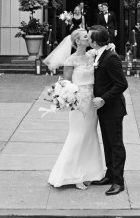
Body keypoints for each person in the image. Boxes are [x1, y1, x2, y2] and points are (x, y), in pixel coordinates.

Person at [43, 29, 106, 190]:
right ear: (78, 41)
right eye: (86, 36)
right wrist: (67, 99)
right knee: (78, 134)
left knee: (90, 135)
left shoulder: (92, 55)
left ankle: (91, 172)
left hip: (93, 102)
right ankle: (73, 174)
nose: (89, 38)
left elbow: (106, 48)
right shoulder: (71, 60)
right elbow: (66, 83)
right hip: (78, 103)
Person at [88, 25, 128, 196]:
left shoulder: (111, 57)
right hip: (103, 109)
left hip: (113, 108)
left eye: (89, 37)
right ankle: (110, 175)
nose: (87, 39)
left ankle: (119, 182)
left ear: (95, 41)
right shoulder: (100, 54)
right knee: (108, 143)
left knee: (116, 144)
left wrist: (103, 98)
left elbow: (122, 84)